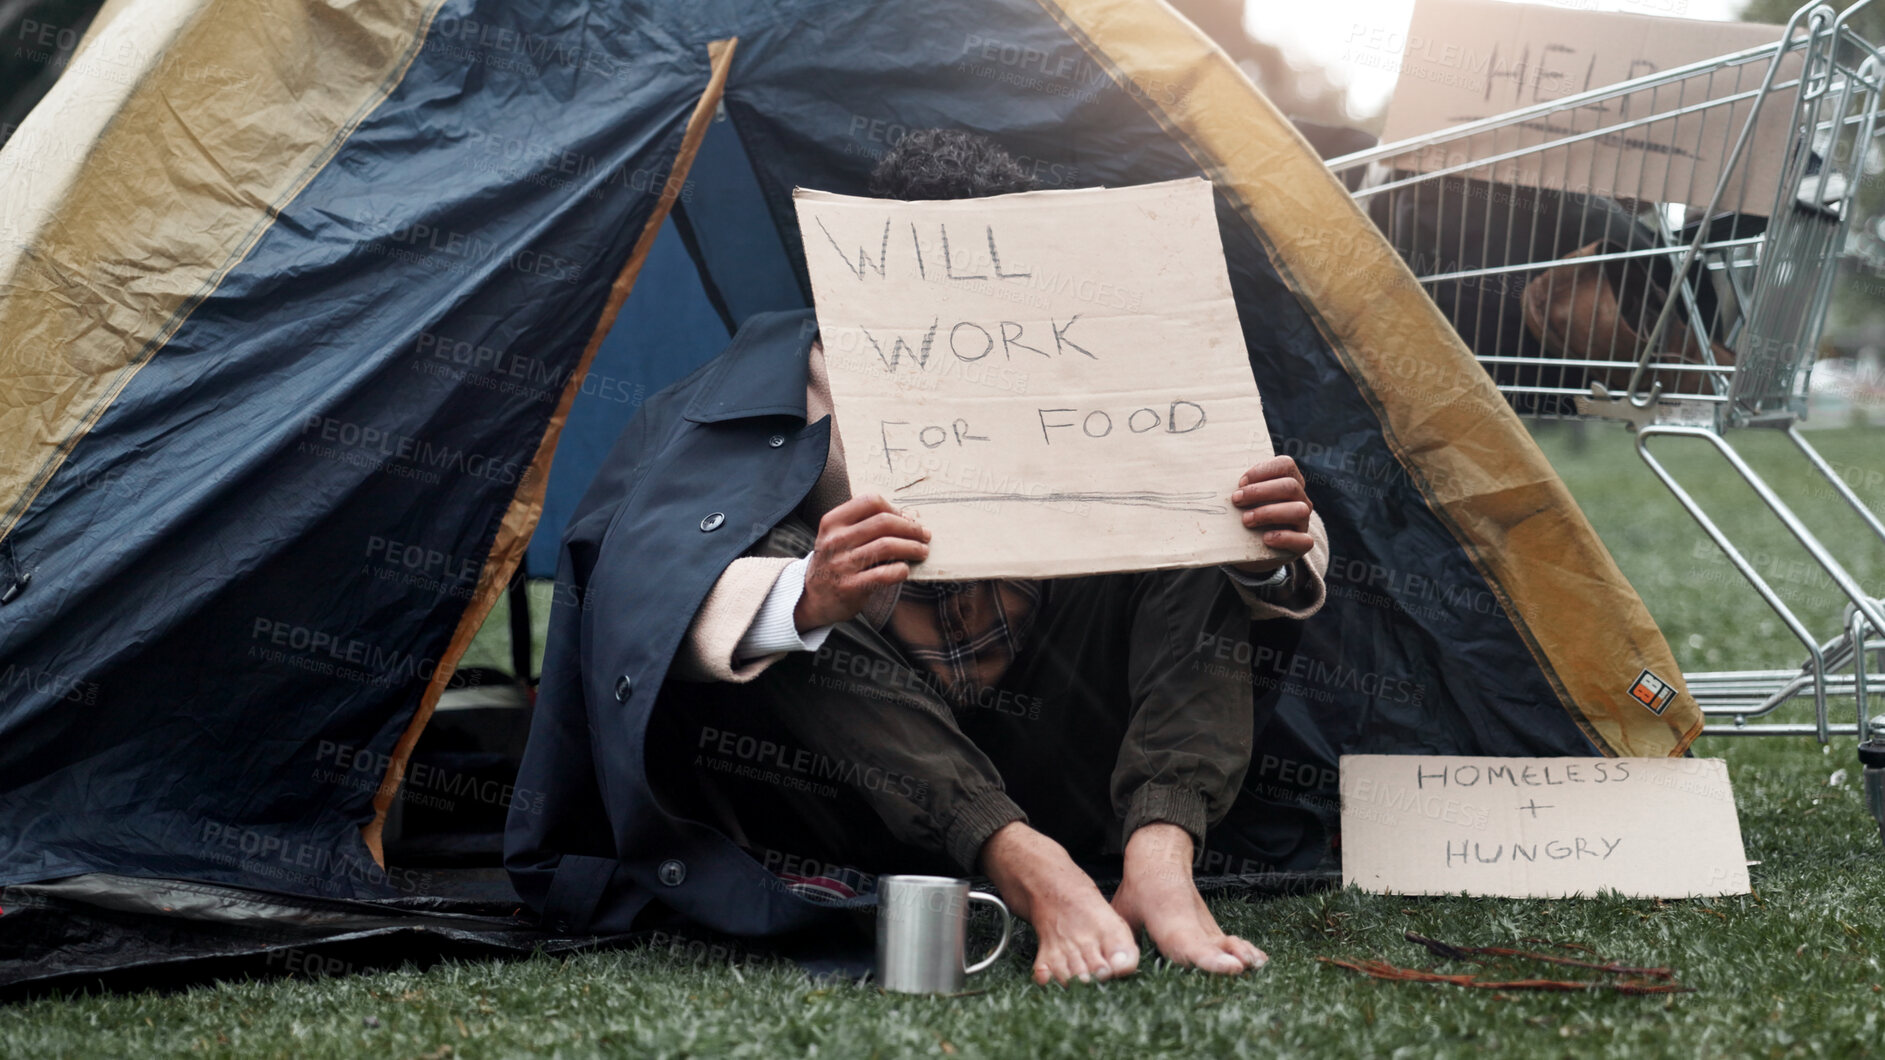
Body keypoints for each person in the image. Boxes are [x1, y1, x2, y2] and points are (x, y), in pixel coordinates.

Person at [506, 130, 1328, 987]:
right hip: (864, 787)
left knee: (1198, 513)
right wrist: (804, 597)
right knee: (782, 573)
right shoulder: (747, 394)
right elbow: (640, 596)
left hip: (1061, 749)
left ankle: (1159, 858)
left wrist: (1262, 542)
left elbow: (1271, 544)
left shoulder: (1105, 369)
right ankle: (1027, 866)